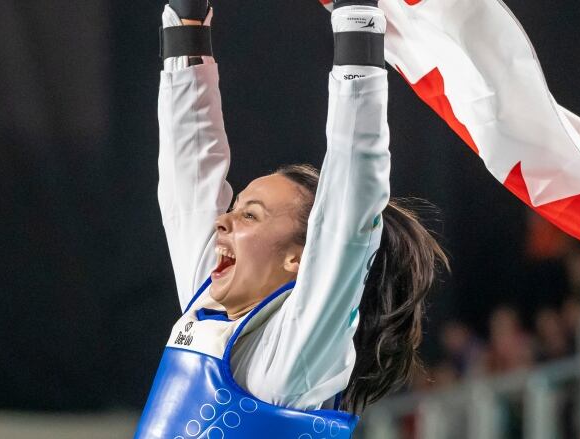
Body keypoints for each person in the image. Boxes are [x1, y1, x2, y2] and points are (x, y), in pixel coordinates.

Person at [134, 1, 448, 438]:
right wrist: (185, 23)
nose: (221, 223)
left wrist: (357, 18)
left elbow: (348, 209)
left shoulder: (287, 364)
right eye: (235, 209)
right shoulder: (210, 309)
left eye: (249, 215)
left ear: (300, 259)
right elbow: (188, 180)